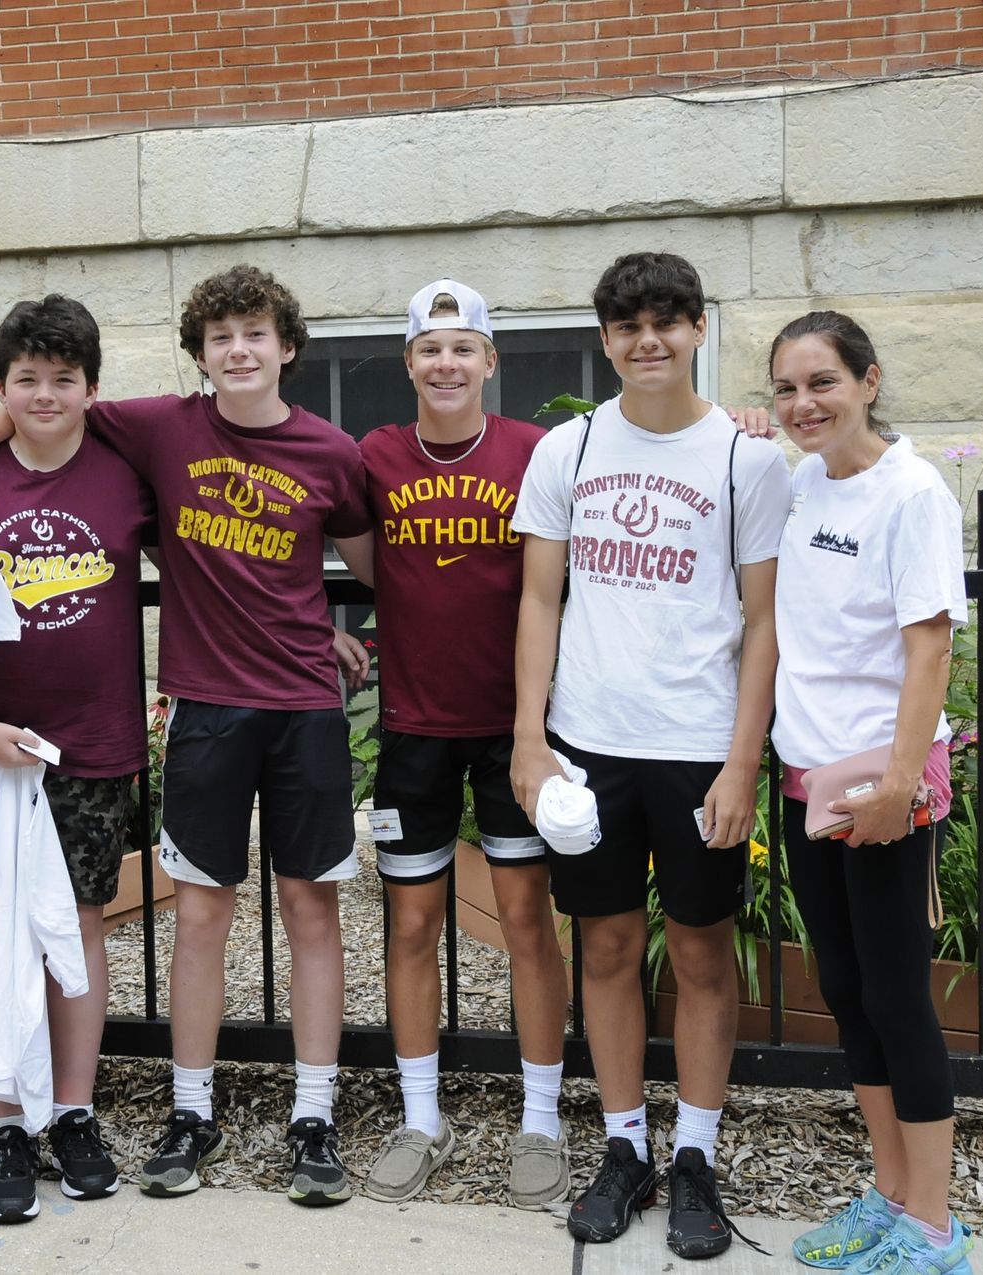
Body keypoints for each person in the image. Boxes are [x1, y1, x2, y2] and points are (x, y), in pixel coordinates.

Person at [0, 264, 375, 1208]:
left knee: (309, 911)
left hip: (287, 710)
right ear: (199, 354)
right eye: (220, 337)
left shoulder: (330, 452)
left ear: (287, 344)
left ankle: (312, 1112)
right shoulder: (159, 429)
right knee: (176, 916)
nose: (239, 350)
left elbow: (376, 572)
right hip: (193, 711)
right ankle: (177, 1108)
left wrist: (339, 631)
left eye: (256, 333)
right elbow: (37, 399)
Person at [509, 252, 790, 1257]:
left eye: (667, 321)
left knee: (705, 953)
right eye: (628, 326)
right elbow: (540, 599)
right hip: (589, 747)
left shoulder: (744, 458)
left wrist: (742, 763)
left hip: (696, 748)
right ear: (605, 341)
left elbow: (763, 623)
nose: (648, 340)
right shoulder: (568, 449)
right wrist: (529, 739)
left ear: (700, 330)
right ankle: (625, 1144)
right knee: (610, 949)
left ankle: (697, 1157)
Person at [0, 295, 150, 1224]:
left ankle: (75, 1110)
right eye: (26, 381)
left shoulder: (128, 474)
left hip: (92, 744)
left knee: (80, 924)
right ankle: (8, 1114)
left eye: (63, 379)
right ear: (1, 387)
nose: (45, 395)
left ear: (92, 386)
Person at [343, 279, 571, 1210]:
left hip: (514, 729)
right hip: (412, 729)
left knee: (524, 920)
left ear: (489, 363)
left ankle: (542, 1120)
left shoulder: (536, 452)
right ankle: (420, 1114)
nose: (446, 363)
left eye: (463, 347)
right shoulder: (375, 456)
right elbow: (361, 561)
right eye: (430, 349)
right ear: (409, 364)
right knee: (411, 923)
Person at [768, 311, 974, 1275]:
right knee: (848, 992)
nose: (804, 405)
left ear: (870, 380)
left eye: (823, 383)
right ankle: (891, 1196)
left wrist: (899, 785)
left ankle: (934, 1229)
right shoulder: (806, 481)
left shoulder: (913, 493)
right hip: (809, 776)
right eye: (786, 389)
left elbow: (928, 642)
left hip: (883, 787)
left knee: (898, 996)